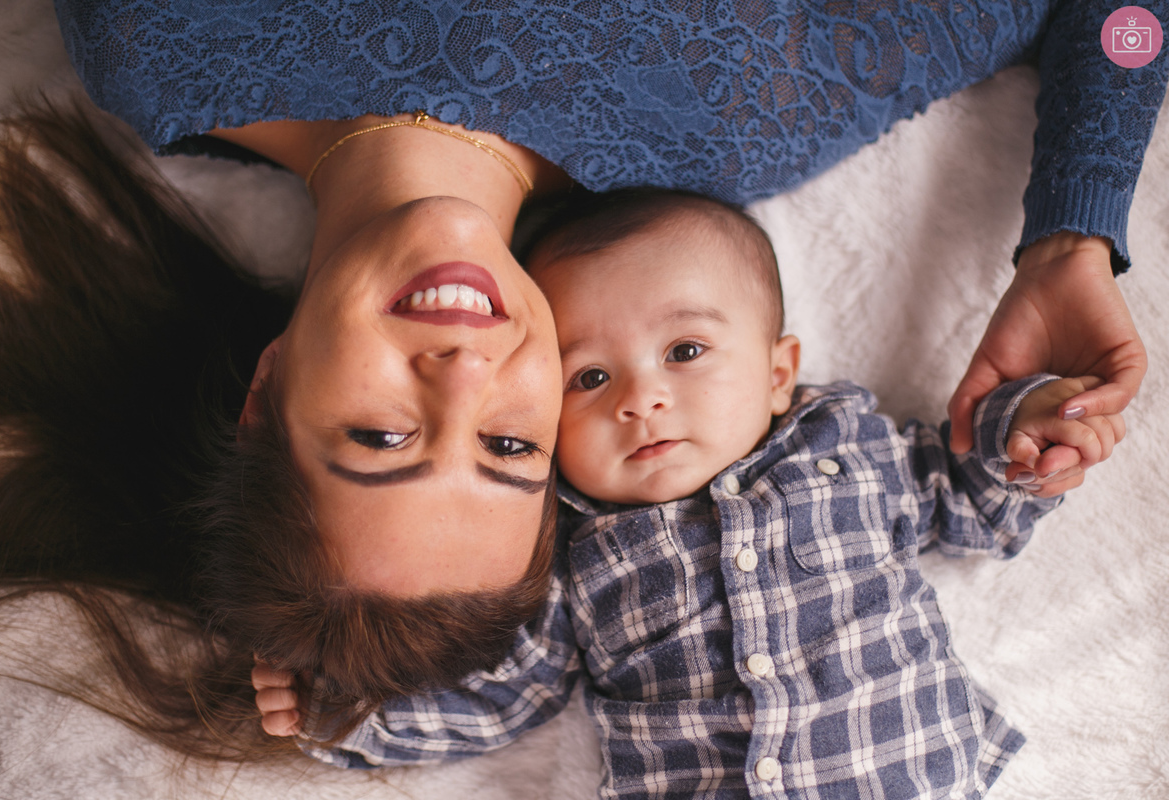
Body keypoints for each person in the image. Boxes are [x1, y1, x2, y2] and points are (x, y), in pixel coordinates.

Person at [0, 0, 1155, 758]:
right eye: (508, 447)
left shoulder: (163, 46)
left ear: (266, 389)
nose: (466, 374)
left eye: (381, 436)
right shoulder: (747, 110)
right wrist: (1073, 233)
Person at [254, 189, 1122, 797]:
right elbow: (507, 690)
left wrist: (1028, 434)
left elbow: (967, 500)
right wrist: (349, 717)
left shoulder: (846, 444)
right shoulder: (574, 545)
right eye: (588, 375)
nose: (641, 397)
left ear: (780, 373)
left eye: (686, 352)